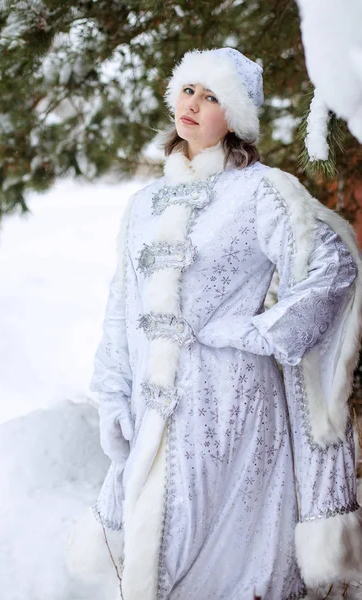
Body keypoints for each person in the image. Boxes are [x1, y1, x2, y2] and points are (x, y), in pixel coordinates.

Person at [66, 48, 362, 600]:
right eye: (188, 90)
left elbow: (332, 267)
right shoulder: (144, 204)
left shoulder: (261, 192)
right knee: (155, 560)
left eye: (212, 97)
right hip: (153, 417)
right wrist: (112, 395)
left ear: (238, 117)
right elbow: (121, 310)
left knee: (219, 560)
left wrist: (255, 332)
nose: (193, 105)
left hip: (234, 410)